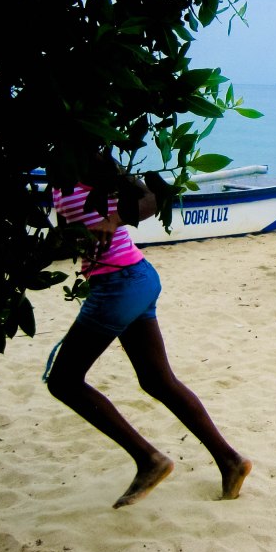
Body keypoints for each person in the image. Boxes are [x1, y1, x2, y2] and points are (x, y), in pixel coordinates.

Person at [46, 153, 251, 508]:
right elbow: (70, 231)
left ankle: (149, 460)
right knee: (157, 380)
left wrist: (114, 220)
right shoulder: (58, 170)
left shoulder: (94, 160)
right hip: (129, 280)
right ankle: (231, 461)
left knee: (63, 380)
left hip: (120, 282)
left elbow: (155, 196)